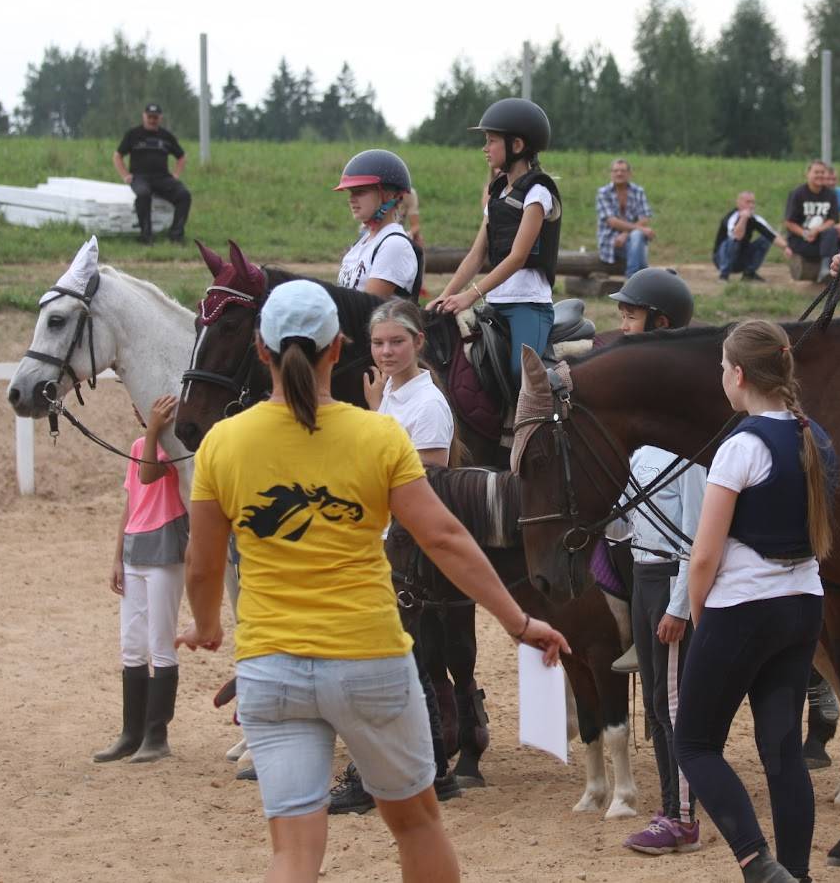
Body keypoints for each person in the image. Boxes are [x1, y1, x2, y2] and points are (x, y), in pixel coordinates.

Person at [177, 280, 568, 883]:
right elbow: (444, 538)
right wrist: (517, 621)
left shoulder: (223, 444)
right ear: (340, 348)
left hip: (272, 664)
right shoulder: (378, 435)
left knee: (293, 852)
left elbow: (203, 564)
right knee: (416, 825)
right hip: (368, 658)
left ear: (260, 350)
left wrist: (205, 625)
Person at [673, 319, 835, 883]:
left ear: (738, 375)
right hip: (802, 601)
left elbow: (704, 556)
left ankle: (756, 862)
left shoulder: (740, 446)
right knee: (783, 749)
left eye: (722, 368)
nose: (721, 377)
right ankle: (796, 873)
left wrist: (701, 617)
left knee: (693, 744)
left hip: (743, 605)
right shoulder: (811, 434)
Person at [328, 299, 462, 815]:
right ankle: (435, 769)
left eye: (396, 342)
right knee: (403, 659)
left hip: (403, 547)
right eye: (379, 343)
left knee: (384, 659)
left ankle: (372, 774)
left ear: (418, 343)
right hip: (382, 538)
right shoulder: (390, 396)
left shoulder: (426, 406)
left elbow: (425, 489)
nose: (385, 351)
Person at [606, 268, 705, 858]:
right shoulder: (640, 437)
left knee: (673, 706)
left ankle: (683, 816)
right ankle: (673, 800)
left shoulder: (685, 440)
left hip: (670, 579)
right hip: (642, 574)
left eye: (630, 315)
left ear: (660, 325)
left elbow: (697, 533)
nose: (621, 323)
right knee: (657, 708)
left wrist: (678, 607)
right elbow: (623, 522)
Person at [427, 99, 559, 390]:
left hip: (529, 304)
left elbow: (518, 257)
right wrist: (445, 295)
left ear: (517, 145)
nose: (485, 148)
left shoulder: (538, 193)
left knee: (521, 375)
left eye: (492, 141)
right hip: (495, 303)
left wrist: (469, 296)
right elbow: (476, 255)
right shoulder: (497, 194)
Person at [93, 395, 188, 765]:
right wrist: (117, 556)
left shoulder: (173, 448)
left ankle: (157, 734)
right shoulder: (139, 445)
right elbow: (131, 502)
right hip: (135, 550)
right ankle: (131, 732)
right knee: (131, 645)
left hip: (165, 549)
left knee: (160, 642)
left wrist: (153, 431)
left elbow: (150, 473)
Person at [334, 149, 424, 299]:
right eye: (350, 192)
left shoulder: (394, 245)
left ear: (389, 195)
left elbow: (366, 309)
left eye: (360, 191)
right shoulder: (361, 243)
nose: (351, 199)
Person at [113, 103, 191, 245]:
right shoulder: (133, 134)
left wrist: (176, 174)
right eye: (149, 117)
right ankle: (146, 236)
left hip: (162, 177)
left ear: (160, 118)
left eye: (155, 117)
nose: (152, 120)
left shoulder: (166, 136)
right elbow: (118, 155)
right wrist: (125, 175)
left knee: (184, 195)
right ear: (144, 116)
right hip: (140, 177)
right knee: (143, 195)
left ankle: (176, 235)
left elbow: (181, 156)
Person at [713, 191, 791, 282]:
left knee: (765, 239)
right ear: (739, 203)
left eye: (753, 202)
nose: (751, 205)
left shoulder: (755, 219)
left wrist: (786, 247)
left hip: (741, 260)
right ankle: (724, 275)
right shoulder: (731, 217)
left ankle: (749, 273)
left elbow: (772, 235)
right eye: (748, 202)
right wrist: (743, 219)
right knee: (732, 240)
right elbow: (737, 236)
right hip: (721, 259)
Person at [596, 159, 655, 277]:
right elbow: (612, 222)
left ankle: (631, 277)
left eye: (623, 171)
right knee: (639, 239)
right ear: (611, 173)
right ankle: (641, 278)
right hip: (611, 242)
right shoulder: (603, 193)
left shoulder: (638, 191)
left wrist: (626, 233)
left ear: (629, 173)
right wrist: (640, 229)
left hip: (632, 240)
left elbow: (645, 217)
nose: (619, 173)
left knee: (637, 236)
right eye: (616, 171)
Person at [783, 161, 840, 273]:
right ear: (808, 174)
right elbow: (789, 222)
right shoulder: (797, 193)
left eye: (822, 172)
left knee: (835, 236)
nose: (820, 175)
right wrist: (805, 233)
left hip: (823, 238)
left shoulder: (831, 194)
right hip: (802, 238)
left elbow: (832, 220)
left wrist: (817, 230)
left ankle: (826, 268)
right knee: (835, 250)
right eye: (816, 172)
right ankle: (828, 268)